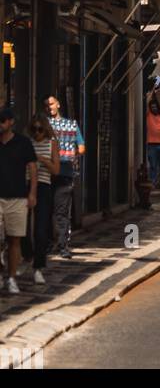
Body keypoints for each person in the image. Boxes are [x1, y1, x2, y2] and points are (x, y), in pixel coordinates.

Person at [0, 105, 37, 294]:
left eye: (2, 121)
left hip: (18, 197)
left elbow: (32, 168)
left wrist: (32, 193)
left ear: (11, 122)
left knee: (15, 239)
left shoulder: (23, 143)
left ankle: (12, 278)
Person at [44, 94, 85, 259]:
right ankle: (61, 246)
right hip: (57, 172)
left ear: (58, 104)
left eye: (51, 104)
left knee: (52, 212)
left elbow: (82, 147)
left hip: (55, 173)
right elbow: (81, 148)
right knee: (59, 212)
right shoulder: (71, 125)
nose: (49, 107)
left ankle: (54, 245)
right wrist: (70, 155)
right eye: (47, 105)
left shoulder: (45, 126)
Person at [27, 113, 59, 284]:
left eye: (40, 129)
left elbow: (56, 170)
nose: (37, 133)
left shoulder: (51, 143)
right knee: (22, 229)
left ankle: (38, 266)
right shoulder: (27, 143)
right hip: (24, 186)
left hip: (43, 186)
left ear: (45, 129)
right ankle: (27, 255)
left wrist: (42, 160)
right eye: (34, 129)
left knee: (41, 229)